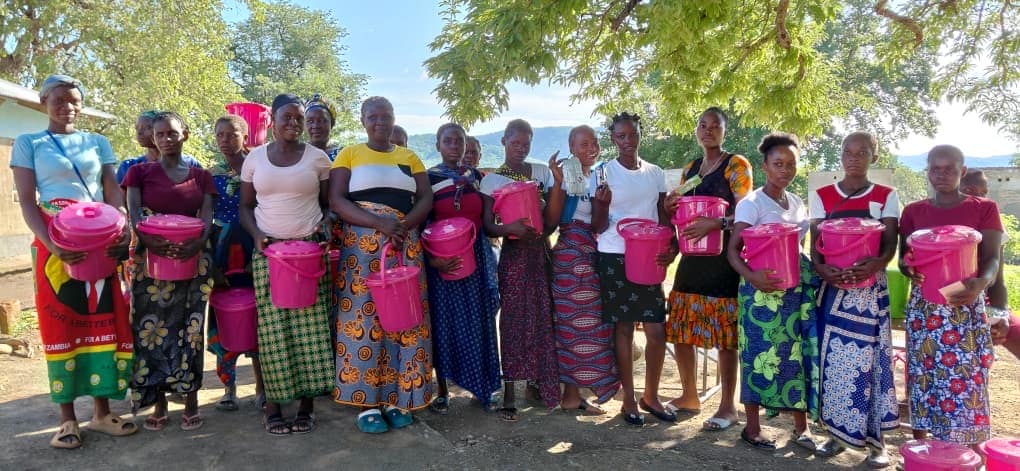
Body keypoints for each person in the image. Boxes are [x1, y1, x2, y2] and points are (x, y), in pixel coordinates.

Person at [11, 74, 137, 449]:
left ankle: (102, 413)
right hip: (56, 245)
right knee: (61, 324)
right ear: (44, 102)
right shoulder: (29, 142)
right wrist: (52, 244)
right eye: (59, 99)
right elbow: (28, 201)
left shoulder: (96, 142)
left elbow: (112, 190)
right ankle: (67, 420)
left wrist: (123, 229)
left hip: (100, 239)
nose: (67, 106)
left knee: (103, 320)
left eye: (74, 100)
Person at [330, 96, 434, 434]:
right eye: (372, 116)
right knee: (363, 319)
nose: (380, 122)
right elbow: (336, 200)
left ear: (393, 119)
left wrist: (403, 227)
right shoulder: (350, 153)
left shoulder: (409, 156)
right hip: (362, 249)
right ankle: (367, 402)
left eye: (385, 116)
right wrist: (380, 224)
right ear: (362, 120)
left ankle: (397, 398)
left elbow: (426, 198)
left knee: (403, 320)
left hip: (403, 245)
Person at [239, 94, 334, 436]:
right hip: (269, 254)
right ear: (272, 122)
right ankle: (274, 406)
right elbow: (245, 207)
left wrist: (325, 227)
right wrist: (256, 236)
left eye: (299, 118)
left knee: (310, 330)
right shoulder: (254, 158)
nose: (293, 123)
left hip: (307, 252)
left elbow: (328, 206)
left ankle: (307, 405)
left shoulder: (318, 158)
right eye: (287, 118)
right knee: (272, 331)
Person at [898, 145, 1002, 446]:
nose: (941, 175)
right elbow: (905, 257)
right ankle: (921, 445)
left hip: (964, 302)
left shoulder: (983, 208)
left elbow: (993, 257)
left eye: (949, 169)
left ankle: (968, 450)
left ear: (963, 171)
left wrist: (981, 283)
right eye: (935, 169)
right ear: (927, 170)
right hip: (925, 306)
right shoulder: (914, 211)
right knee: (922, 372)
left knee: (966, 376)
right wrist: (908, 270)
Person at [123, 111, 217, 432]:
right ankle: (159, 402)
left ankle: (190, 400)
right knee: (151, 329)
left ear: (185, 135)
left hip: (194, 257)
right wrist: (151, 243)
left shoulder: (200, 175)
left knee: (190, 329)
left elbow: (206, 215)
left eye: (172, 133)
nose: (166, 138)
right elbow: (133, 212)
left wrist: (196, 244)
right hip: (151, 260)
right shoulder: (139, 173)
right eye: (160, 134)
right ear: (153, 137)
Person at [810, 132, 898, 467]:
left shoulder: (886, 196)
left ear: (874, 156)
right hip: (833, 293)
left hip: (870, 294)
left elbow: (889, 244)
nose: (854, 158)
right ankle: (835, 436)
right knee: (834, 364)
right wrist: (823, 271)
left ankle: (878, 444)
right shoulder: (822, 196)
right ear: (841, 155)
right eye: (848, 152)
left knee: (874, 365)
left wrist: (876, 264)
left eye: (863, 152)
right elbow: (814, 243)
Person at [727, 132, 819, 450]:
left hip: (791, 293)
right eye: (778, 163)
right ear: (764, 166)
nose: (785, 170)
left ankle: (801, 428)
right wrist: (754, 278)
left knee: (793, 357)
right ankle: (752, 428)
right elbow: (733, 251)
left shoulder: (795, 203)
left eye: (790, 164)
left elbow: (800, 248)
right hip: (760, 294)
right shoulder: (752, 203)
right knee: (757, 357)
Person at [663, 107, 752, 430]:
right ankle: (689, 395)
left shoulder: (736, 165)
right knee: (681, 326)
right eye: (703, 125)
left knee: (726, 337)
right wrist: (670, 207)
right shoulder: (692, 168)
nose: (708, 130)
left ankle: (728, 406)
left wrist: (716, 223)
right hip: (692, 258)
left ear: (724, 132)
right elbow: (682, 213)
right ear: (696, 130)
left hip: (724, 259)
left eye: (716, 126)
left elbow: (746, 212)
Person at [593, 113, 676, 426]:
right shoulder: (603, 173)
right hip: (615, 254)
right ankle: (628, 398)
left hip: (649, 255)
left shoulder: (655, 173)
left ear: (641, 134)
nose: (628, 142)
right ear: (613, 139)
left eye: (632, 135)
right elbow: (597, 226)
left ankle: (650, 396)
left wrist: (672, 246)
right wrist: (602, 206)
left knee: (657, 330)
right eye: (621, 136)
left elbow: (662, 215)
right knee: (624, 328)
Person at [424, 123, 507, 414]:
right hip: (444, 261)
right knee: (445, 322)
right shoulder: (428, 178)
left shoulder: (476, 177)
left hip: (478, 257)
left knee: (481, 321)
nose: (454, 146)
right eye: (448, 141)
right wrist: (433, 259)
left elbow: (486, 221)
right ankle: (443, 391)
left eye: (459, 141)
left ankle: (484, 388)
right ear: (438, 145)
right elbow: (423, 224)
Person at [486, 118, 560, 421]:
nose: (521, 148)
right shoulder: (491, 180)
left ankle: (539, 385)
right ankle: (509, 392)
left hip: (541, 253)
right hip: (514, 256)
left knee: (544, 319)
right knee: (514, 322)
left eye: (526, 143)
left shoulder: (542, 173)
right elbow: (488, 225)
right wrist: (508, 228)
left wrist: (556, 181)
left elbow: (552, 222)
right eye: (515, 142)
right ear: (504, 141)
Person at [543, 125, 619, 414]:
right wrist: (559, 183)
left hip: (593, 255)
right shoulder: (567, 177)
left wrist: (602, 204)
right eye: (584, 143)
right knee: (568, 328)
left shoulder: (600, 176)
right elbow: (551, 221)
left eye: (595, 143)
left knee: (594, 328)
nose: (591, 148)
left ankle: (575, 396)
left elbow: (600, 224)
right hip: (568, 258)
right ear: (571, 147)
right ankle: (570, 395)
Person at [205, 115, 265, 412]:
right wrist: (211, 262)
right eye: (220, 135)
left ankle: (261, 385)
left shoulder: (258, 167)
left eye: (231, 134)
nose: (225, 140)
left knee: (259, 314)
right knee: (223, 314)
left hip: (253, 242)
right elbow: (206, 217)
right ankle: (228, 388)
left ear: (245, 135)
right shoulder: (210, 174)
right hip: (221, 249)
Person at [960, 170, 1020, 361]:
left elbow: (998, 281)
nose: (982, 198)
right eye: (972, 191)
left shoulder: (992, 225)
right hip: (951, 305)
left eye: (984, 193)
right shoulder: (942, 224)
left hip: (985, 304)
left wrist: (1001, 314)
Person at [115, 110, 201, 184]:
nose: (139, 132)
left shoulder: (190, 163)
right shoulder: (129, 166)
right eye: (137, 128)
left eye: (147, 127)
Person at [305, 94, 340, 160]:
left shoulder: (343, 155)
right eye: (310, 121)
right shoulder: (295, 155)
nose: (315, 126)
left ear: (332, 124)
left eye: (321, 121)